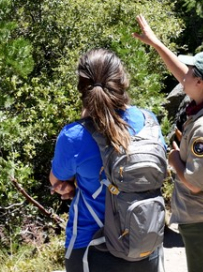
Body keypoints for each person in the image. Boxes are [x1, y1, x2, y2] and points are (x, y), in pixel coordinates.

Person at [133, 15, 203, 272]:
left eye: (191, 71)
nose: (185, 74)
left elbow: (193, 182)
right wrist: (157, 44)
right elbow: (183, 74)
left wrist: (173, 160)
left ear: (201, 82)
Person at [49, 48, 163, 272]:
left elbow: (56, 181)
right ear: (123, 81)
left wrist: (68, 186)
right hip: (146, 242)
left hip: (92, 248)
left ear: (82, 88)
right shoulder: (149, 121)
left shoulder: (74, 136)